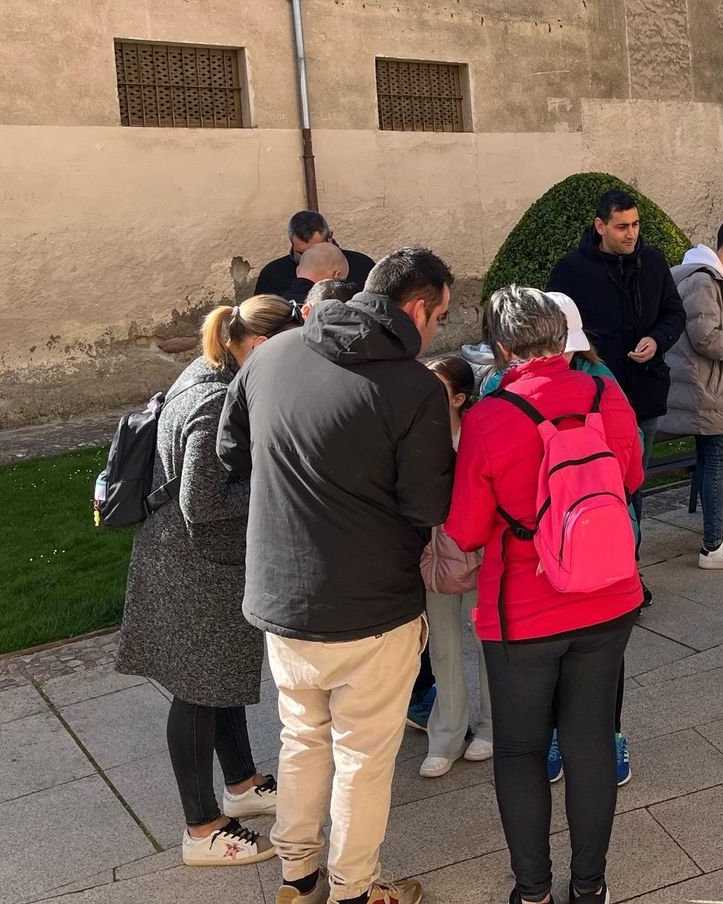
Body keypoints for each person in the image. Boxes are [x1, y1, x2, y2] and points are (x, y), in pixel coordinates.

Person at [219, 248, 455, 904]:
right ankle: (354, 891)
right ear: (415, 309)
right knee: (359, 759)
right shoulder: (414, 389)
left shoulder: (271, 355)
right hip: (371, 612)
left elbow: (229, 451)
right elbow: (428, 508)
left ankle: (297, 879)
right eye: (438, 315)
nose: (436, 330)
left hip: (285, 601)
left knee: (303, 737)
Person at [445, 286, 644, 904]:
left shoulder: (489, 415)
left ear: (500, 347)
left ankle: (532, 890)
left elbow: (469, 530)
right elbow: (632, 476)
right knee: (590, 747)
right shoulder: (606, 392)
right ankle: (590, 888)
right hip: (609, 595)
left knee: (522, 750)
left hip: (522, 612)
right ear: (563, 336)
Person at [116, 294, 299, 867]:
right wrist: (279, 480)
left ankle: (241, 787)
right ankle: (202, 829)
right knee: (197, 694)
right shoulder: (216, 398)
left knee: (219, 682)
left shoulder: (213, 368)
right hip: (193, 568)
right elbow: (202, 500)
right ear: (263, 347)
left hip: (197, 562)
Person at [481, 291, 641, 788]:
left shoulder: (497, 395)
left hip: (537, 564)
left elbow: (475, 508)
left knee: (565, 669)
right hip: (608, 551)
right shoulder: (604, 388)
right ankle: (598, 739)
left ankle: (593, 737)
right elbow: (633, 475)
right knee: (597, 658)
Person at [546, 189, 687, 516]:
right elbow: (553, 330)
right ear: (600, 226)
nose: (632, 233)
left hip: (645, 392)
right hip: (593, 397)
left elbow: (674, 312)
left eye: (636, 224)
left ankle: (631, 558)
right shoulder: (570, 270)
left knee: (635, 480)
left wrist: (657, 339)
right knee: (599, 484)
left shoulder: (652, 261)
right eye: (622, 226)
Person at [662, 216, 723, 569]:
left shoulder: (703, 276)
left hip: (705, 386)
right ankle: (713, 545)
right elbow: (706, 337)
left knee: (711, 456)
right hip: (707, 388)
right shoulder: (704, 281)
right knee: (717, 458)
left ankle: (716, 535)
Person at [415, 355, 495, 778]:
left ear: (460, 398)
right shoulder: (416, 434)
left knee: (486, 640)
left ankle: (490, 727)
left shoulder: (479, 431)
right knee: (442, 645)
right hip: (433, 551)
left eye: (437, 389)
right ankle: (445, 734)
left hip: (479, 548)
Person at [254, 210, 375, 297]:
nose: (309, 258)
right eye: (301, 253)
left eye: (317, 250)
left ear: (330, 236)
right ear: (291, 242)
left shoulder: (363, 265)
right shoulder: (272, 274)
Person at [283, 243, 350, 308]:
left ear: (297, 270)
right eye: (343, 281)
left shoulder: (279, 306)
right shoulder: (333, 311)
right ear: (337, 276)